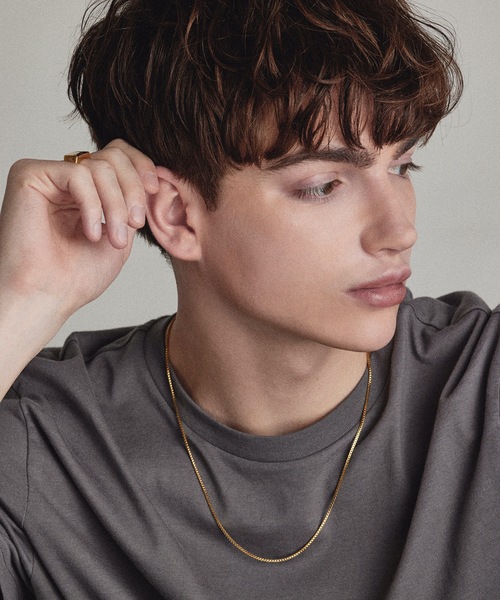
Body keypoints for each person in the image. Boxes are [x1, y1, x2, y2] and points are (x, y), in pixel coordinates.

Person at [0, 0, 498, 598]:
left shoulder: (481, 384)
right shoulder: (42, 445)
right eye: (324, 186)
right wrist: (22, 301)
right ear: (177, 216)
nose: (399, 231)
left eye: (402, 167)